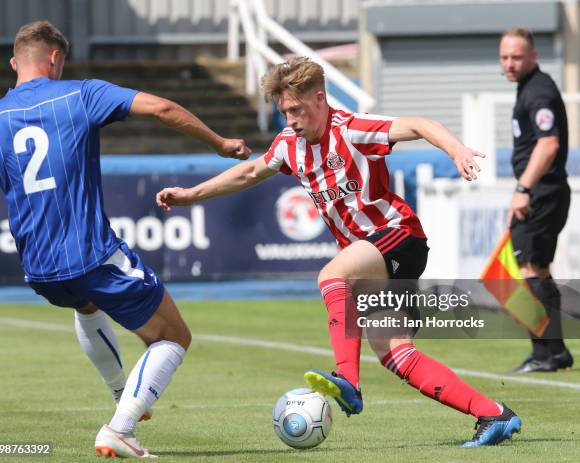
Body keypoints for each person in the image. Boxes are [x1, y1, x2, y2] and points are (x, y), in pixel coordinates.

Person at [156, 57, 522, 447]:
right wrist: (191, 195)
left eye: (296, 110)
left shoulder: (352, 129)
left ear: (319, 98)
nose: (291, 120)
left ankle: (347, 379)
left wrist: (456, 149)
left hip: (398, 235)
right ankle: (494, 415)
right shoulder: (289, 145)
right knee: (394, 352)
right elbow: (248, 172)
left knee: (332, 276)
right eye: (284, 112)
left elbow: (418, 124)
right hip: (369, 255)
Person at [0, 21, 251, 458]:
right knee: (172, 337)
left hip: (38, 268)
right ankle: (121, 427)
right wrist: (219, 143)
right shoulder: (80, 93)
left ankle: (120, 391)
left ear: (15, 63)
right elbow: (163, 109)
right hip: (91, 254)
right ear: (55, 59)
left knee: (85, 305)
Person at [499, 27, 573, 374]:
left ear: (532, 56)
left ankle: (545, 353)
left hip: (541, 193)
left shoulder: (538, 91)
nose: (510, 64)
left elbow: (548, 144)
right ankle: (554, 351)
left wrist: (524, 189)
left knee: (526, 270)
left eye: (516, 57)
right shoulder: (529, 88)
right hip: (545, 191)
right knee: (537, 270)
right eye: (504, 57)